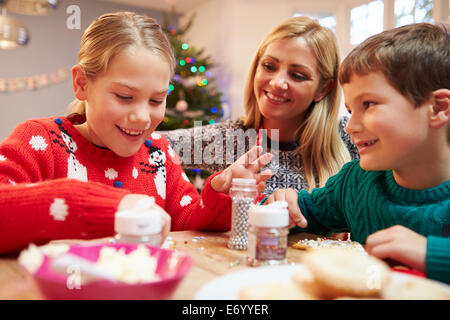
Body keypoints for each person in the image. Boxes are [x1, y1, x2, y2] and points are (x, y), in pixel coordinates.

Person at [0, 12, 271, 254]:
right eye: (125, 96)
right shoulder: (40, 142)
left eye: (156, 101)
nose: (142, 117)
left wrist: (220, 196)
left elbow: (188, 225)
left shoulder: (158, 153)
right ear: (82, 84)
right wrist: (111, 206)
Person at [265, 22, 450, 283]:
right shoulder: (356, 181)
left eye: (369, 104)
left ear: (438, 108)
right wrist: (281, 206)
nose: (350, 126)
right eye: (351, 110)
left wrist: (431, 254)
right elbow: (306, 213)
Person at [160, 16, 358, 196]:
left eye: (297, 75)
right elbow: (150, 144)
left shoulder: (351, 138)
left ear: (323, 89)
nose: (277, 82)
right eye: (269, 66)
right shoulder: (229, 138)